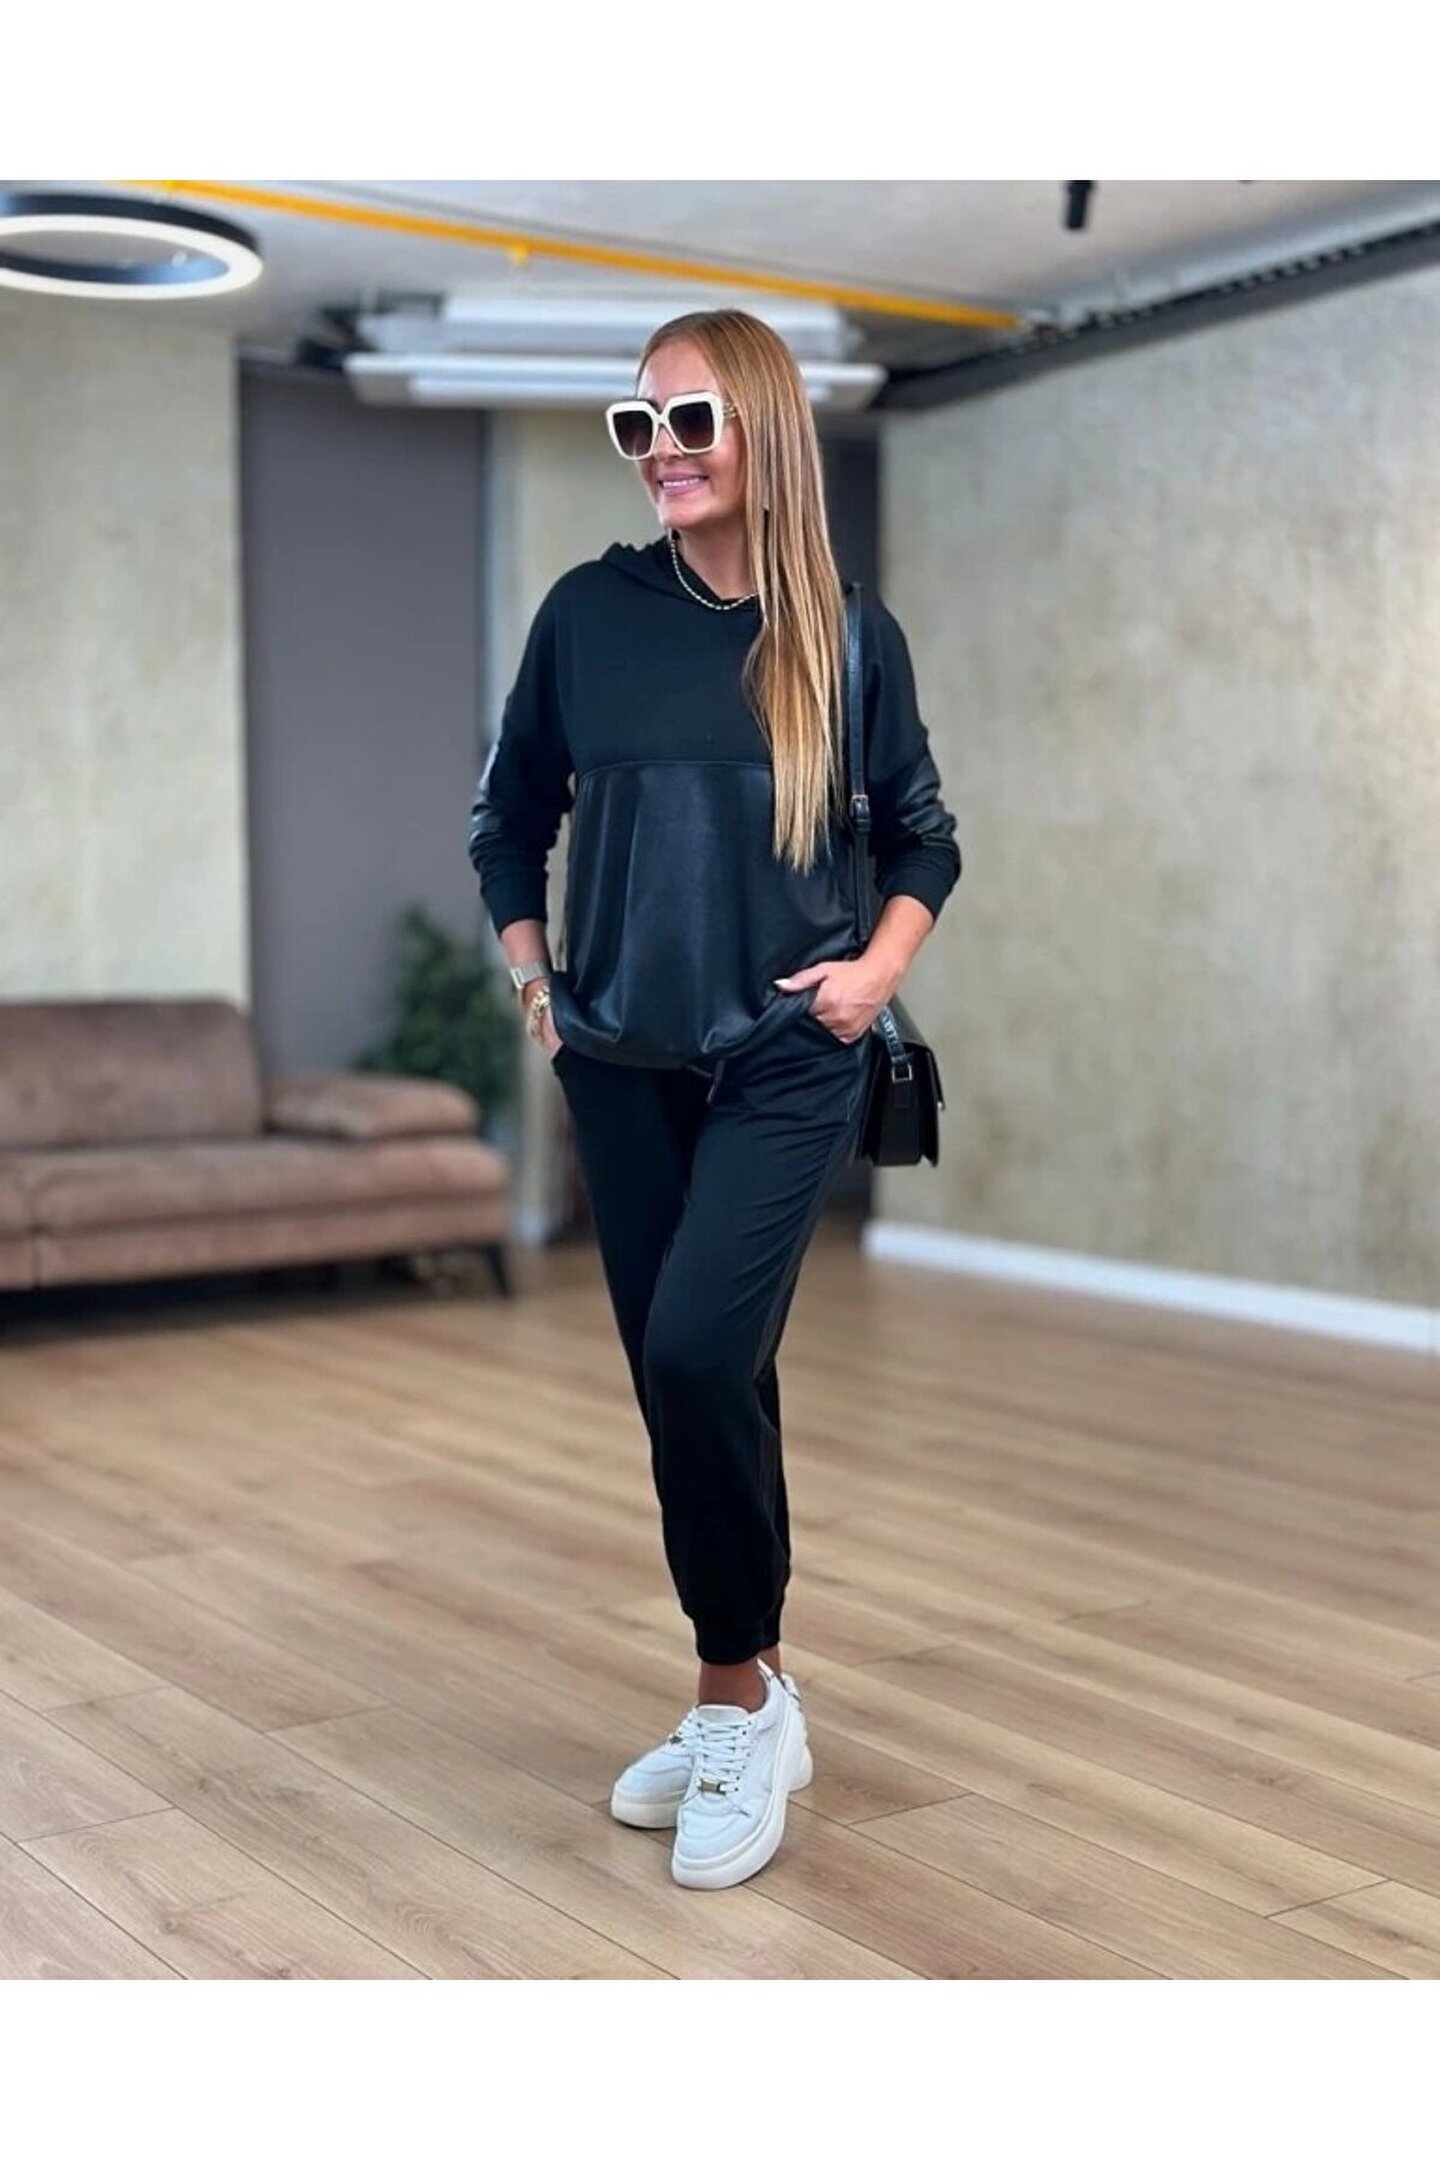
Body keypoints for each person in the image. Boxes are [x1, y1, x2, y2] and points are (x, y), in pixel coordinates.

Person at [467, 307, 961, 1891]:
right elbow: (506, 822)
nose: (661, 451)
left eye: (691, 421)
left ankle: (738, 1701)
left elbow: (925, 834)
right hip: (618, 1061)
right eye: (640, 425)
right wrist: (540, 993)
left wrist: (876, 971)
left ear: (764, 432)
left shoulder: (848, 634)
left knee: (695, 1351)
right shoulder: (588, 615)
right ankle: (749, 1694)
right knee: (697, 1379)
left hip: (788, 1056)